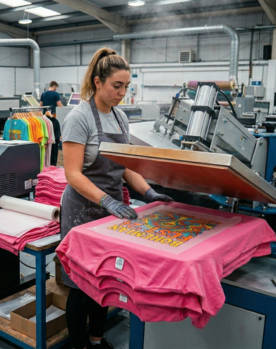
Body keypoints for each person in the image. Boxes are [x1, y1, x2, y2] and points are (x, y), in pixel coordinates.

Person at [60, 48, 173, 349]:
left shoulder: (121, 118)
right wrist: (108, 201)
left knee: (105, 280)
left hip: (111, 211)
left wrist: (148, 191)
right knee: (81, 285)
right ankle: (80, 345)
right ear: (98, 82)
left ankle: (97, 339)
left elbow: (126, 167)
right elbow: (73, 174)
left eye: (126, 87)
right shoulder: (79, 118)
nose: (122, 93)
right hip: (82, 211)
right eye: (116, 86)